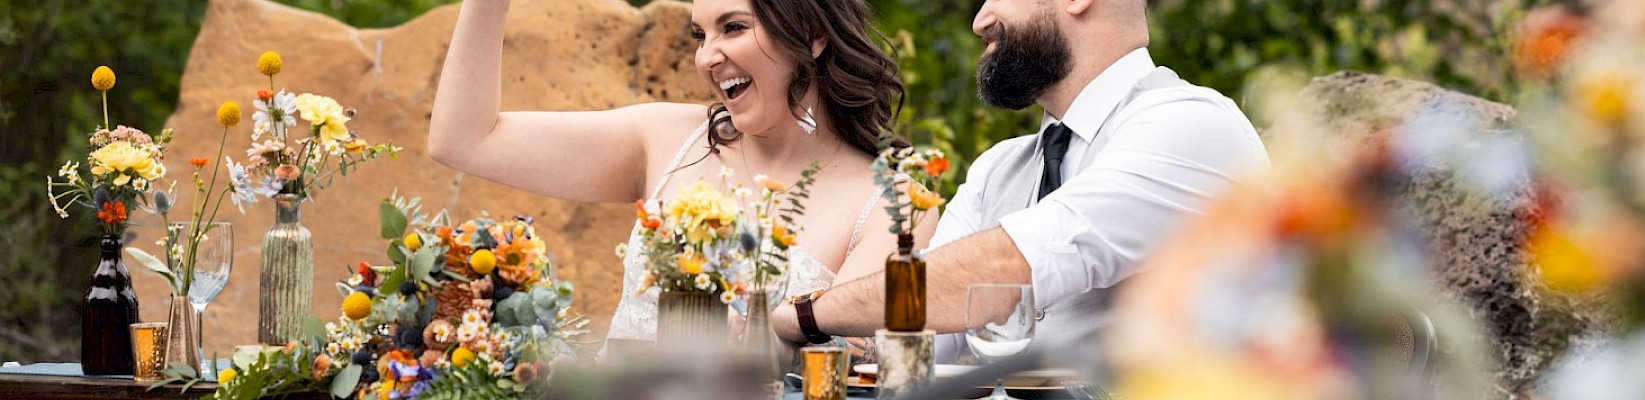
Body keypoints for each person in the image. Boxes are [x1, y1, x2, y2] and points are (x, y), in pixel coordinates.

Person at [771, 0, 1270, 361]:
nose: (979, 20)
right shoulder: (999, 169)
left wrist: (807, 315)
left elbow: (1004, 269)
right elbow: (916, 324)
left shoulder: (1191, 124)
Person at [428, 0, 934, 344]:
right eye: (700, 34)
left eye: (732, 27)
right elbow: (464, 140)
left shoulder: (896, 205)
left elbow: (864, 367)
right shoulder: (667, 138)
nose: (706, 57)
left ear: (812, 33)